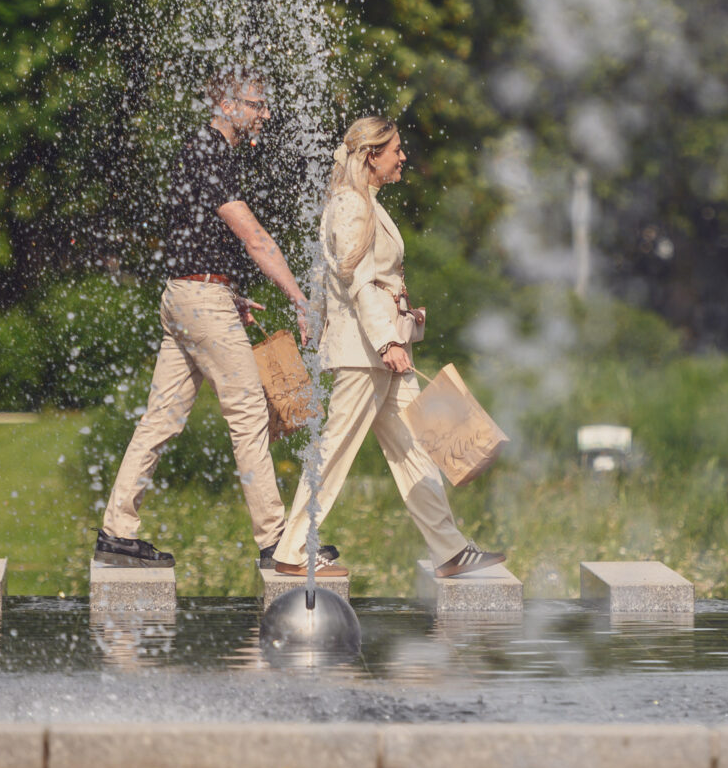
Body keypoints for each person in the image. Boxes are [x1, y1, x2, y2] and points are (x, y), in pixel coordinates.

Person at [94, 72, 325, 569]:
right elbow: (254, 237)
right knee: (249, 416)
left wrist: (228, 289)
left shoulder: (200, 150)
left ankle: (116, 530)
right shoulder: (209, 150)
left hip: (187, 295)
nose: (265, 114)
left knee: (160, 419)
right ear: (225, 102)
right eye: (257, 105)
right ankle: (278, 544)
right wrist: (301, 300)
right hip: (199, 300)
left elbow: (195, 236)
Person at [271, 116, 505, 579]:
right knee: (335, 450)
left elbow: (333, 276)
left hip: (377, 349)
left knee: (416, 450)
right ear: (370, 155)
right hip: (366, 354)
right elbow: (357, 282)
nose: (403, 157)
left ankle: (450, 550)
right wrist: (387, 342)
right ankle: (293, 550)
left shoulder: (362, 203)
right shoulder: (352, 205)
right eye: (395, 149)